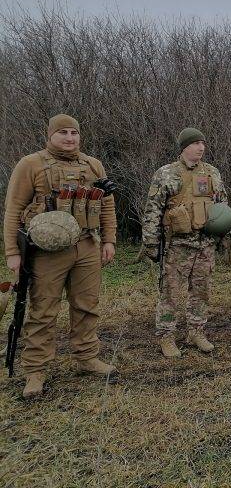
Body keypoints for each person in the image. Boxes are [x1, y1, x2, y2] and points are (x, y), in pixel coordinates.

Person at [3, 114, 118, 399]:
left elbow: (106, 206)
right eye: (63, 133)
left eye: (74, 133)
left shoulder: (93, 165)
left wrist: (110, 240)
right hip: (46, 252)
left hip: (87, 245)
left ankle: (86, 356)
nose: (69, 138)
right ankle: (35, 370)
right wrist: (12, 252)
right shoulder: (31, 164)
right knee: (42, 310)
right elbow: (14, 209)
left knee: (87, 305)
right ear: (50, 135)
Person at [142, 127, 229, 357]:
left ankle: (196, 331)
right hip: (177, 246)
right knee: (170, 293)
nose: (200, 147)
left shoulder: (212, 173)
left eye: (203, 143)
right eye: (195, 143)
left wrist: (222, 235)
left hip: (204, 244)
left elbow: (221, 206)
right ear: (184, 147)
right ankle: (167, 336)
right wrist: (151, 242)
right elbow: (153, 210)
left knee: (201, 291)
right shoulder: (166, 173)